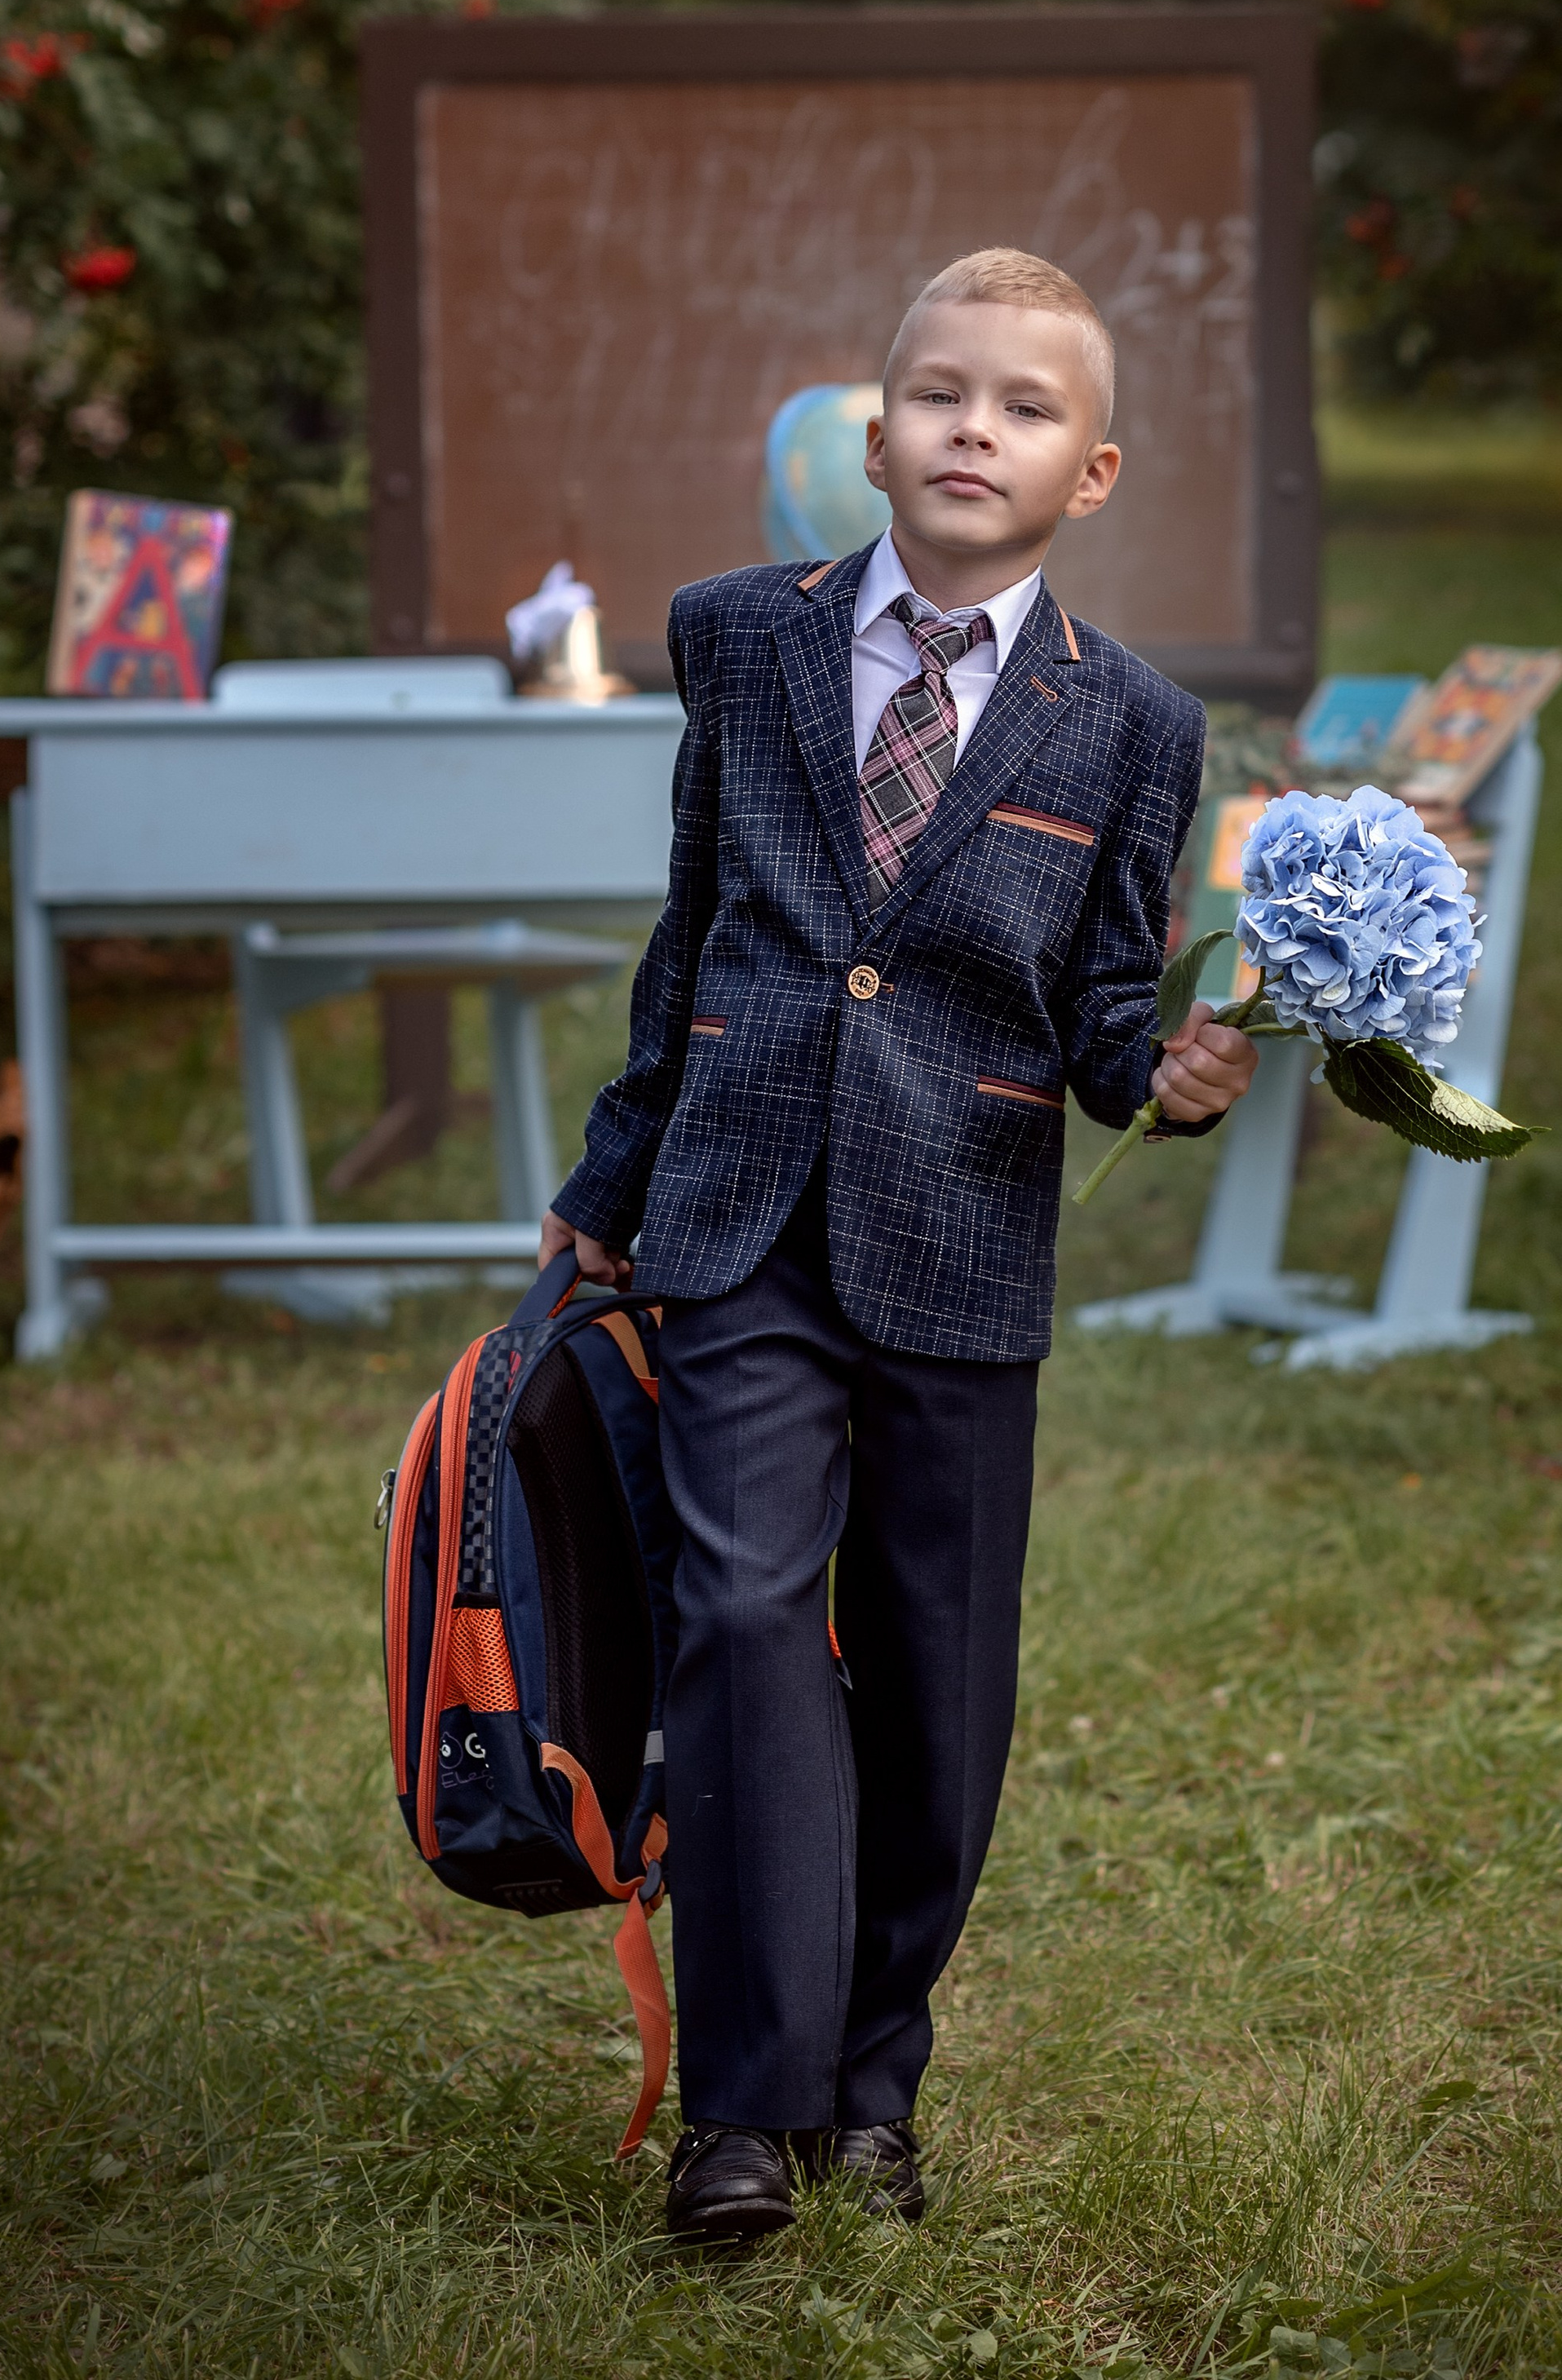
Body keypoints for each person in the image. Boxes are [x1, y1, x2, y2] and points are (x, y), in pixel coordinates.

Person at [540, 246, 1258, 2245]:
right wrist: (611, 1182)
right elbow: (690, 936)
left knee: (937, 1680)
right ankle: (743, 2116)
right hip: (741, 1213)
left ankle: (875, 2077)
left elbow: (1108, 1005)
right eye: (940, 394)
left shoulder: (1128, 724)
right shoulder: (735, 643)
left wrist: (1169, 1072)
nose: (974, 429)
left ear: (1088, 472)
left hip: (958, 1233)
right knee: (746, 1617)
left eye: (1024, 409)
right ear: (874, 435)